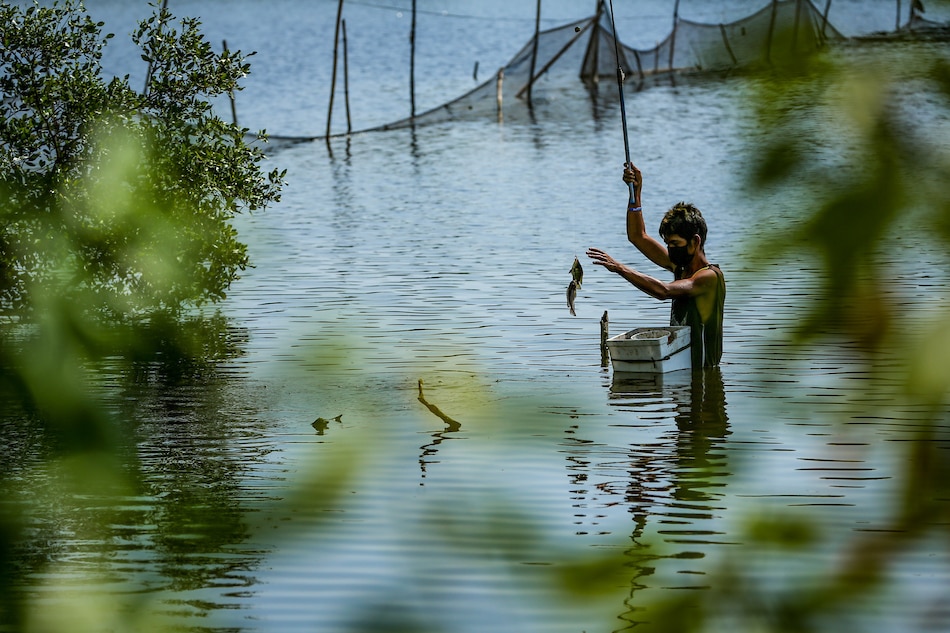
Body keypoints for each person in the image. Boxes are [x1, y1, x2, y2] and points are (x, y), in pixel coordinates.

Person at [586, 163, 725, 368]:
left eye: (675, 244)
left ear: (695, 242)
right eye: (668, 244)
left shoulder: (709, 278)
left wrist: (621, 268)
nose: (670, 249)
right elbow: (638, 236)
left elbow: (664, 291)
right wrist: (636, 193)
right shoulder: (680, 266)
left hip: (702, 372)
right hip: (680, 366)